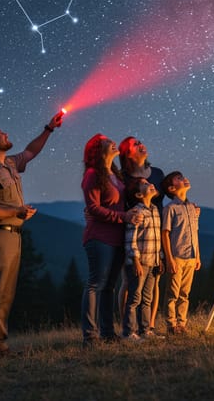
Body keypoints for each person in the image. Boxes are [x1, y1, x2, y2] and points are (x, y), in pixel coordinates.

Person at [0, 112, 63, 364]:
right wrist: (16, 212)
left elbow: (31, 152)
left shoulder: (9, 164)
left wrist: (49, 129)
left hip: (12, 236)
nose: (5, 133)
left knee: (6, 294)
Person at [81, 134, 138, 346]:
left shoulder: (115, 175)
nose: (112, 141)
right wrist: (124, 217)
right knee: (95, 284)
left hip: (118, 238)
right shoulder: (92, 174)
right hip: (100, 238)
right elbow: (94, 208)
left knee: (109, 286)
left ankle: (107, 333)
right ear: (97, 149)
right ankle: (90, 336)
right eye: (106, 140)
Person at [117, 136, 165, 332]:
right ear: (127, 154)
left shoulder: (158, 174)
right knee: (130, 284)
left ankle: (148, 327)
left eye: (140, 142)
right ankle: (127, 327)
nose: (141, 145)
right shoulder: (122, 177)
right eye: (135, 144)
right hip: (135, 233)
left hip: (155, 232)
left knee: (152, 286)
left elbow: (172, 195)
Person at [121, 177, 164, 340]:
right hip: (139, 262)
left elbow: (157, 238)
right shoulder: (137, 212)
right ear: (139, 195)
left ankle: (145, 331)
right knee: (134, 298)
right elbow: (130, 239)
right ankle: (128, 332)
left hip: (153, 261)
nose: (151, 184)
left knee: (147, 298)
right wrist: (136, 261)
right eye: (145, 184)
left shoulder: (155, 210)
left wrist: (159, 259)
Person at [160, 171, 200, 335]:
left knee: (185, 293)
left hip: (191, 257)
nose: (184, 178)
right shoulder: (170, 208)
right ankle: (171, 324)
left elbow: (195, 233)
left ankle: (181, 324)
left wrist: (197, 256)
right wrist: (169, 259)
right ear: (171, 188)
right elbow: (165, 233)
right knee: (173, 293)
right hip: (176, 256)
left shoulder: (192, 207)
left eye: (182, 176)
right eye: (179, 178)